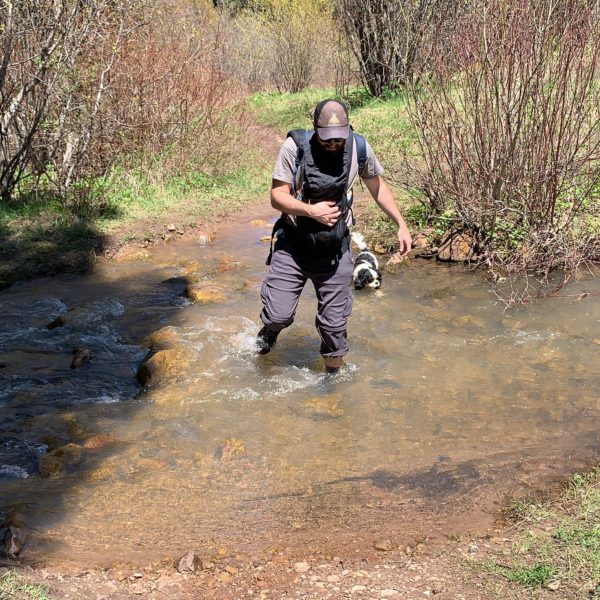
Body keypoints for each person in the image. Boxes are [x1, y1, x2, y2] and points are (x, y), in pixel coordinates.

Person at [256, 99, 412, 373]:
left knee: (334, 327)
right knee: (278, 315)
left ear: (348, 128)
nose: (332, 144)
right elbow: (276, 196)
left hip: (334, 249)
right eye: (326, 139)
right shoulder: (295, 147)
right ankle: (270, 330)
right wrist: (310, 210)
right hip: (293, 244)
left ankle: (333, 384)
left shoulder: (359, 148)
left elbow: (377, 187)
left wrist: (401, 223)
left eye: (338, 139)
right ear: (314, 128)